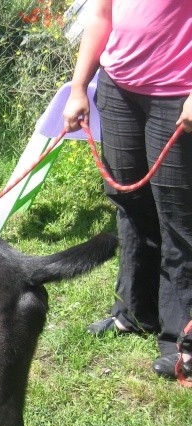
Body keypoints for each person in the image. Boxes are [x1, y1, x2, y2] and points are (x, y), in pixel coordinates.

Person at [62, 0, 192, 379]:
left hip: (176, 97)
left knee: (178, 218)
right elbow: (102, 16)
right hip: (118, 90)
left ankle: (181, 341)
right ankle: (135, 314)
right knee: (130, 205)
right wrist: (79, 87)